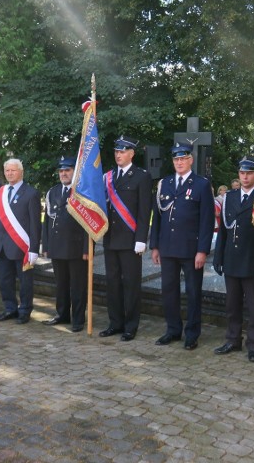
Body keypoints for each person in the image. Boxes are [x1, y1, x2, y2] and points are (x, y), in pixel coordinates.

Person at [150, 142, 215, 351]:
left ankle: (192, 334)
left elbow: (206, 220)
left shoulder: (201, 185)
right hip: (167, 248)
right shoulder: (165, 183)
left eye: (183, 158)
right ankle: (173, 330)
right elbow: (157, 218)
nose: (179, 162)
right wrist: (155, 246)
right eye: (176, 159)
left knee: (193, 292)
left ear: (190, 160)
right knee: (169, 290)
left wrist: (202, 250)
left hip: (191, 249)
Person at [212, 156, 254, 362]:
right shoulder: (230, 197)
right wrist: (218, 256)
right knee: (232, 304)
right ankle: (233, 339)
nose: (245, 176)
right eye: (241, 173)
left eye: (249, 173)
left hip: (252, 260)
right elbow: (224, 231)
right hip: (232, 258)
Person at [100, 136, 153, 341]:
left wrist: (141, 238)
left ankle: (131, 325)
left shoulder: (141, 176)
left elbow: (144, 210)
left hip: (131, 240)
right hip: (111, 239)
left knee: (131, 284)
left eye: (122, 152)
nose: (118, 155)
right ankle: (115, 323)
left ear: (131, 153)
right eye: (116, 151)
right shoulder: (108, 177)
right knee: (112, 283)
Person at [42, 156, 89, 332]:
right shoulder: (52, 192)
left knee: (77, 286)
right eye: (61, 171)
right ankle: (62, 314)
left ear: (74, 172)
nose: (64, 174)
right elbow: (46, 222)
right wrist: (45, 247)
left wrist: (86, 248)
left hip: (76, 248)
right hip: (56, 246)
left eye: (67, 170)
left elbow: (87, 224)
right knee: (61, 285)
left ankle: (78, 319)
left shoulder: (82, 192)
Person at [0, 159, 41, 323]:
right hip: (3, 246)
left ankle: (25, 310)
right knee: (5, 280)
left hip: (21, 247)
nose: (10, 173)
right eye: (7, 171)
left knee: (25, 282)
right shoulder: (2, 192)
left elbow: (35, 224)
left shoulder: (31, 193)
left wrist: (34, 248)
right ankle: (10, 308)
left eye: (13, 170)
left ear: (21, 172)